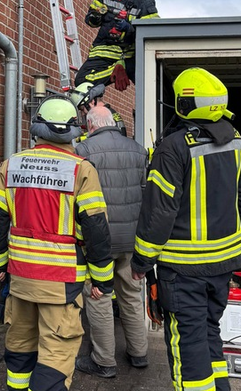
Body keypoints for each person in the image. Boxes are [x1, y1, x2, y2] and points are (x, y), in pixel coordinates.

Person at [130, 68, 241, 391]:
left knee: (188, 345)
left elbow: (159, 211)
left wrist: (141, 262)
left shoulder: (173, 148)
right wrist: (232, 246)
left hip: (183, 272)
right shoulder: (237, 143)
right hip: (222, 268)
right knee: (210, 334)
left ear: (185, 104)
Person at [0, 96, 114, 391]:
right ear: (74, 131)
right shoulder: (82, 170)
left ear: (36, 128)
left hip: (20, 278)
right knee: (56, 355)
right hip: (61, 281)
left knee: (20, 349)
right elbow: (96, 230)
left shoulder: (12, 165)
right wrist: (102, 281)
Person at [73, 105, 150, 378]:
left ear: (90, 126)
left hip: (99, 241)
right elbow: (145, 194)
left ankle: (104, 360)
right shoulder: (138, 150)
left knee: (99, 296)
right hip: (131, 240)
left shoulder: (82, 152)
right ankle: (139, 353)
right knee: (131, 296)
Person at [74, 0, 159, 91]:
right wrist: (94, 17)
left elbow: (152, 32)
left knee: (151, 86)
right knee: (81, 82)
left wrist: (129, 29)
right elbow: (90, 21)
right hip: (104, 49)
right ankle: (114, 71)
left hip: (130, 54)